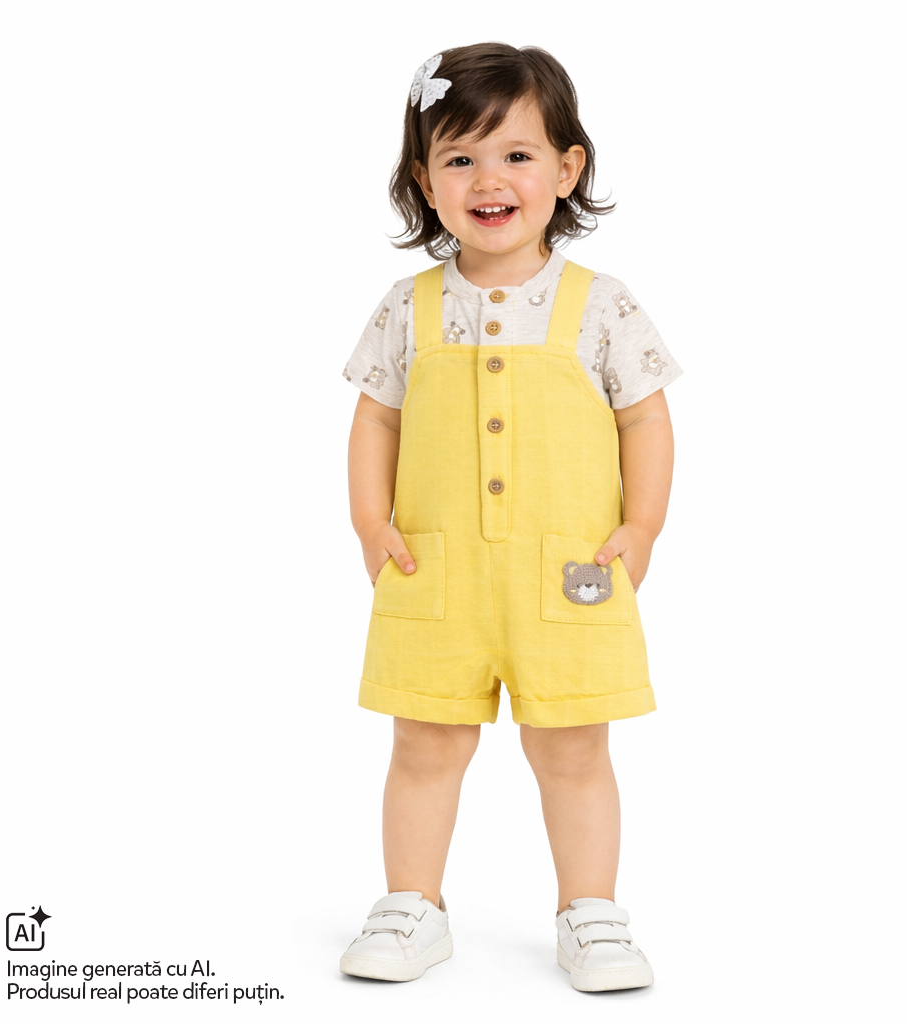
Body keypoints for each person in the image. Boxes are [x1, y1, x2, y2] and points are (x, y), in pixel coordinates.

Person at [339, 42, 682, 992]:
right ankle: (412, 904)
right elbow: (376, 418)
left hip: (569, 572)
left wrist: (643, 527)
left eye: (517, 155)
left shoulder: (602, 306)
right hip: (433, 573)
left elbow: (645, 418)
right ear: (426, 181)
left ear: (567, 168)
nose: (488, 180)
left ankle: (591, 912)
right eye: (460, 158)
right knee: (423, 744)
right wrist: (371, 523)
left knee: (574, 748)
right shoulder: (409, 307)